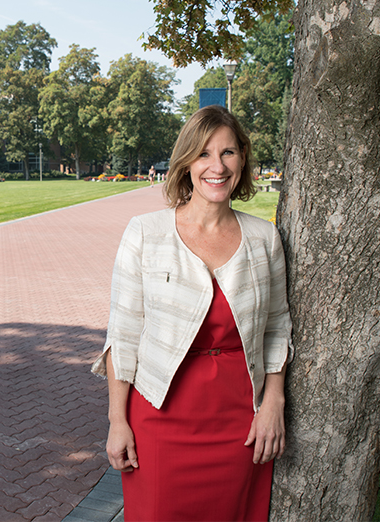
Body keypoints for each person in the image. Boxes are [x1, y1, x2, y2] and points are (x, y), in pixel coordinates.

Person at [92, 105, 294, 522]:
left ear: (243, 159)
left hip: (240, 422)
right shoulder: (146, 233)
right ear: (185, 163)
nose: (216, 166)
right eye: (204, 154)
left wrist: (273, 401)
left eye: (229, 153)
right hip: (160, 419)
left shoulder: (264, 237)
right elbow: (123, 334)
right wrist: (117, 421)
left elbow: (277, 328)